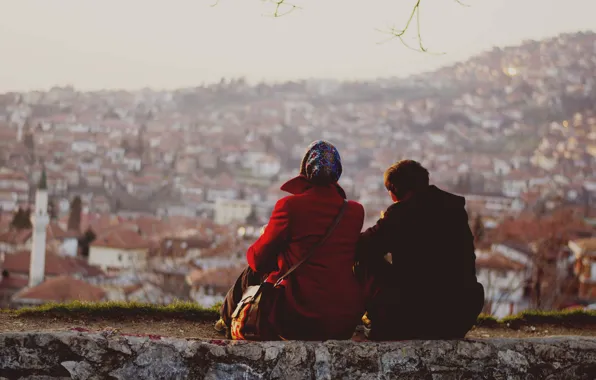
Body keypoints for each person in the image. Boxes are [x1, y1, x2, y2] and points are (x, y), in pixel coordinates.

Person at [217, 140, 366, 340]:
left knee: (254, 266)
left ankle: (225, 320)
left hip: (298, 317)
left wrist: (267, 237)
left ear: (306, 169)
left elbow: (258, 260)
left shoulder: (289, 206)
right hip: (343, 321)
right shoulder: (355, 211)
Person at [355, 159, 484, 340]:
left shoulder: (400, 214)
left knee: (365, 260)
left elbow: (363, 247)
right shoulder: (454, 208)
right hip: (459, 315)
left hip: (415, 315)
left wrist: (386, 221)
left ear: (394, 193)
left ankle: (374, 322)